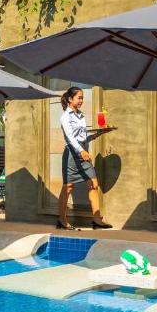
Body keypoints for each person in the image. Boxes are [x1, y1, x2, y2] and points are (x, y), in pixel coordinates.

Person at [57, 86, 113, 230]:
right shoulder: (65, 117)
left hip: (83, 152)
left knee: (94, 185)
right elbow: (70, 138)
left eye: (82, 98)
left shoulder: (81, 115)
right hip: (71, 154)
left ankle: (96, 220)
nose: (82, 100)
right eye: (79, 98)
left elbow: (82, 138)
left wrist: (98, 134)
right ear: (70, 99)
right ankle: (62, 220)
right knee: (68, 187)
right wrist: (81, 151)